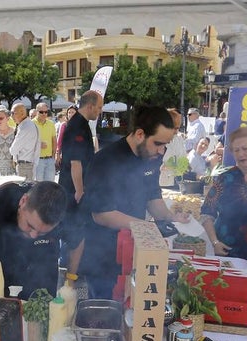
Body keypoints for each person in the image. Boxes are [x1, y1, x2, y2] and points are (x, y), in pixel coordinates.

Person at [78, 105, 189, 299]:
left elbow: (153, 196)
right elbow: (102, 214)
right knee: (107, 312)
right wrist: (148, 227)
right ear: (139, 134)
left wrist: (171, 217)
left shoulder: (152, 157)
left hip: (135, 250)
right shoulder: (105, 160)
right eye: (158, 143)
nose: (162, 151)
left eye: (166, 145)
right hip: (104, 256)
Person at [0, 181, 77, 299]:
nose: (34, 235)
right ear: (23, 202)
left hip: (43, 287)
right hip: (0, 292)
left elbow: (77, 241)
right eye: (30, 226)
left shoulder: (66, 208)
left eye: (42, 233)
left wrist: (70, 279)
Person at [200, 127, 247, 291]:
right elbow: (207, 213)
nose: (241, 154)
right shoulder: (225, 178)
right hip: (230, 254)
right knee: (232, 302)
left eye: (245, 149)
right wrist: (215, 242)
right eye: (236, 150)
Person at [58, 90, 102, 204]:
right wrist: (79, 191)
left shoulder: (81, 123)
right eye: (99, 107)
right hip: (71, 189)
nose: (100, 111)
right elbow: (75, 162)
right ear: (90, 107)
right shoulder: (77, 126)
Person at [159, 109, 189, 189]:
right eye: (174, 127)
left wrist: (181, 166)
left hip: (175, 182)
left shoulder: (179, 139)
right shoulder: (156, 139)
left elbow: (183, 159)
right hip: (159, 183)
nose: (176, 131)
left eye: (178, 128)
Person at [10, 103, 39, 180]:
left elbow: (13, 150)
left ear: (22, 113)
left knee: (23, 191)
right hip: (27, 165)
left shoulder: (25, 127)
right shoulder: (28, 124)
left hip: (25, 166)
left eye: (13, 113)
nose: (11, 116)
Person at [33, 102, 57, 183]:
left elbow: (54, 140)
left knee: (50, 185)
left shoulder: (51, 123)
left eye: (46, 112)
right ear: (36, 112)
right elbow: (28, 142)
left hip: (50, 159)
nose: (44, 114)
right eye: (41, 112)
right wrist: (39, 144)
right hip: (37, 160)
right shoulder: (31, 124)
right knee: (38, 186)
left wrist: (53, 156)